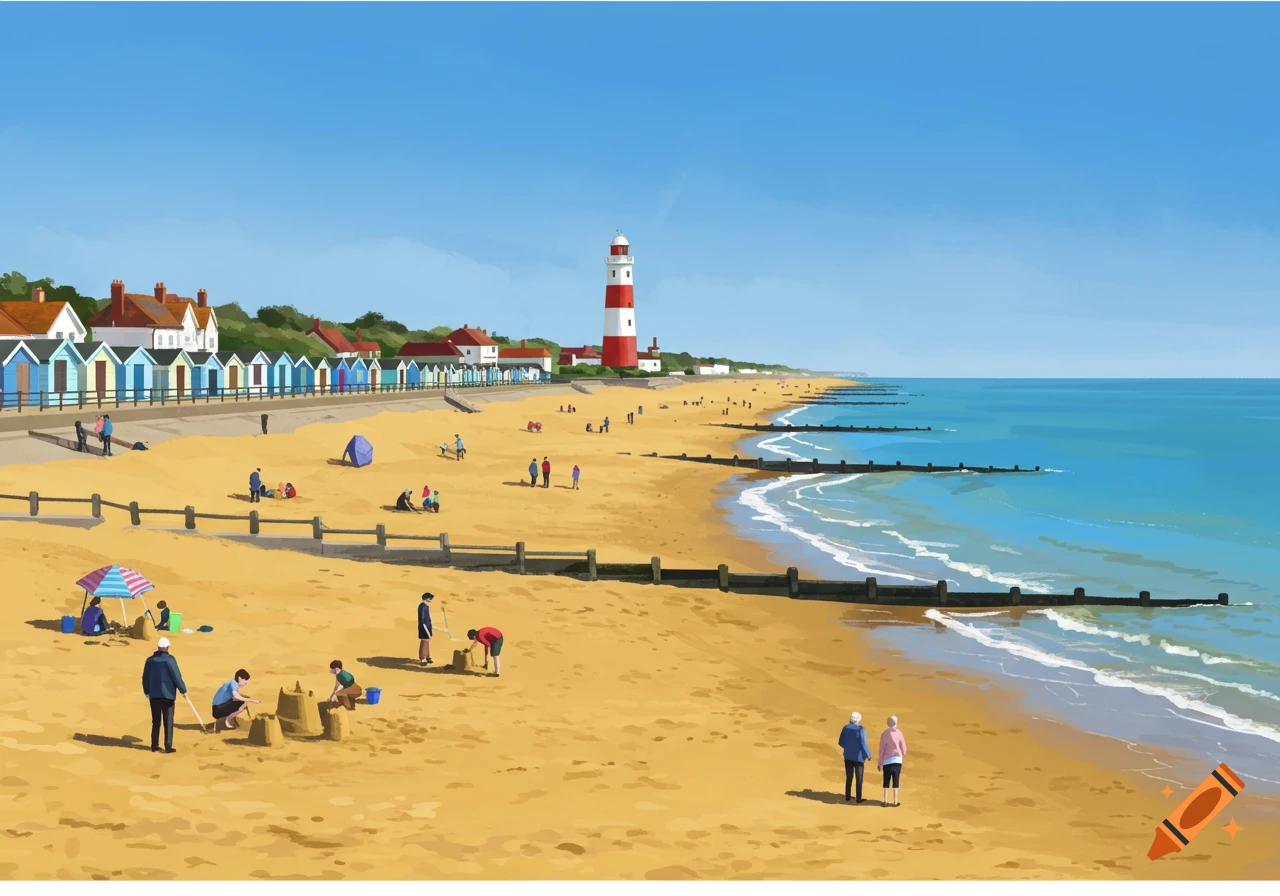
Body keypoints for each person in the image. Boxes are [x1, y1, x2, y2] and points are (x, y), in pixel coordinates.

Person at [142, 637, 187, 753]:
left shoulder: (150, 660)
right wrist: (183, 690)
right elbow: (176, 676)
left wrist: (147, 691)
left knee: (156, 721)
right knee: (168, 721)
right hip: (168, 695)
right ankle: (168, 746)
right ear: (167, 647)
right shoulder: (170, 660)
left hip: (154, 695)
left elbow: (145, 677)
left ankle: (154, 745)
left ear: (158, 647)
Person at [839, 711, 872, 803]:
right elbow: (863, 743)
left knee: (849, 777)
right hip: (859, 757)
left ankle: (848, 796)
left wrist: (848, 748)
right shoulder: (861, 729)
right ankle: (858, 798)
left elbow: (841, 742)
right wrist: (868, 754)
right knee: (859, 778)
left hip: (848, 756)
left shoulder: (845, 728)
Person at [878, 715, 907, 807]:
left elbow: (881, 749)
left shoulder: (884, 734)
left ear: (888, 723)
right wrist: (902, 754)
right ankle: (895, 801)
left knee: (886, 780)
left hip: (887, 761)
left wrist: (880, 763)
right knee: (896, 780)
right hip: (897, 760)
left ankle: (885, 801)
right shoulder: (899, 733)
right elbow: (903, 747)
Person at [417, 592, 435, 665]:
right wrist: (427, 631)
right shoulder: (422, 606)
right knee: (424, 642)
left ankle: (427, 656)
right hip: (423, 627)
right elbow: (423, 620)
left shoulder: (425, 606)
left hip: (427, 626)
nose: (430, 599)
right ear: (427, 598)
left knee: (427, 642)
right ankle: (422, 657)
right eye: (430, 598)